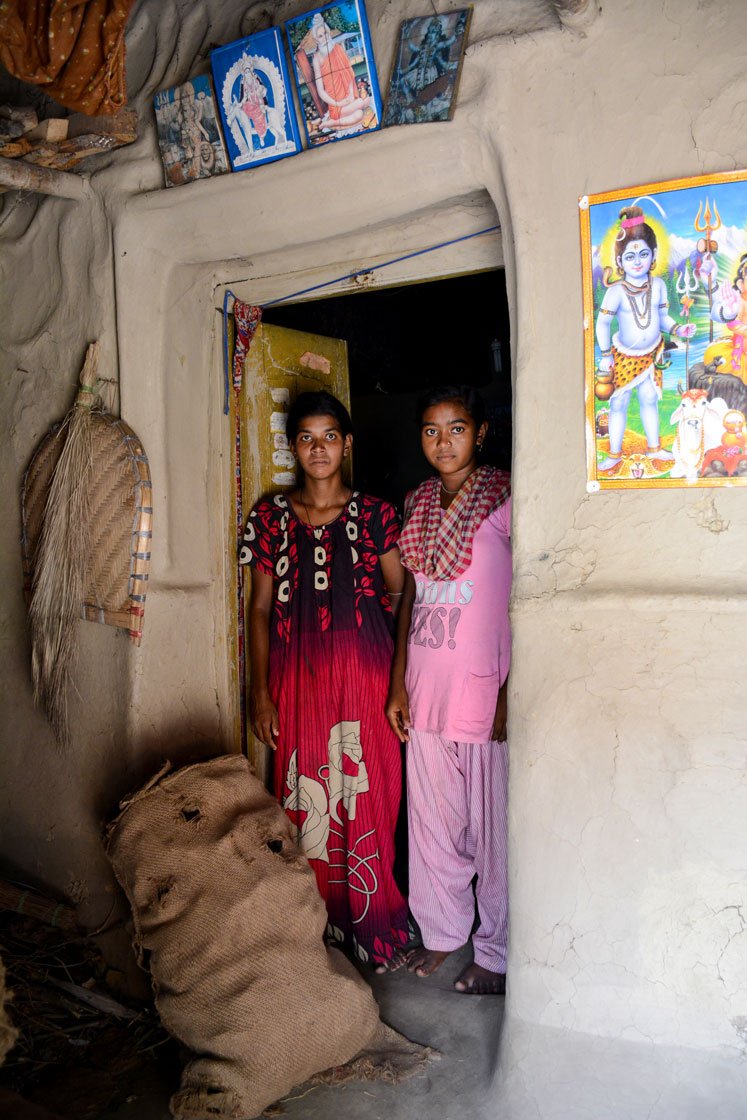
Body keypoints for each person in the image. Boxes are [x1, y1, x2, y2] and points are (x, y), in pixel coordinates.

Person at [241, 391, 409, 970]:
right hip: (297, 685)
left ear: (347, 444)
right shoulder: (269, 518)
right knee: (304, 803)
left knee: (369, 797)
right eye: (307, 438)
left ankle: (374, 927)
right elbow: (259, 610)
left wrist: (397, 679)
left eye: (329, 436)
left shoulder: (378, 516)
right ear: (294, 447)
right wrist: (259, 692)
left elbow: (402, 592)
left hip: (365, 683)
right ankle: (314, 932)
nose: (319, 448)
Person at [386, 385, 511, 994]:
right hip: (425, 689)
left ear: (480, 432)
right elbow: (409, 593)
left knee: (492, 833)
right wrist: (397, 684)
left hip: (484, 691)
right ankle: (442, 934)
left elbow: (530, 592)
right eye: (432, 430)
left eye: (456, 428)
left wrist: (514, 692)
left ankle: (494, 950)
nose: (444, 441)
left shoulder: (508, 497)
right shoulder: (417, 503)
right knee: (432, 826)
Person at [595, 204, 696, 471]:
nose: (637, 261)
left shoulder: (659, 286)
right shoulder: (616, 291)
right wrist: (605, 356)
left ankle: (654, 448)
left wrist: (677, 330)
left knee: (649, 399)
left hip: (651, 353)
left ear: (653, 256)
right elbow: (603, 323)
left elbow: (663, 318)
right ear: (619, 262)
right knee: (619, 402)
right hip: (622, 355)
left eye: (643, 254)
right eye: (630, 257)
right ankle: (615, 453)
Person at [310, 13, 372, 132]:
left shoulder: (338, 48)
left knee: (360, 112)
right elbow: (321, 91)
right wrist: (338, 103)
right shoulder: (317, 58)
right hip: (336, 105)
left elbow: (349, 74)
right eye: (321, 36)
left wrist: (349, 95)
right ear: (316, 40)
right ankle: (333, 121)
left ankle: (334, 123)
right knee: (360, 103)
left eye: (326, 33)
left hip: (348, 98)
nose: (325, 37)